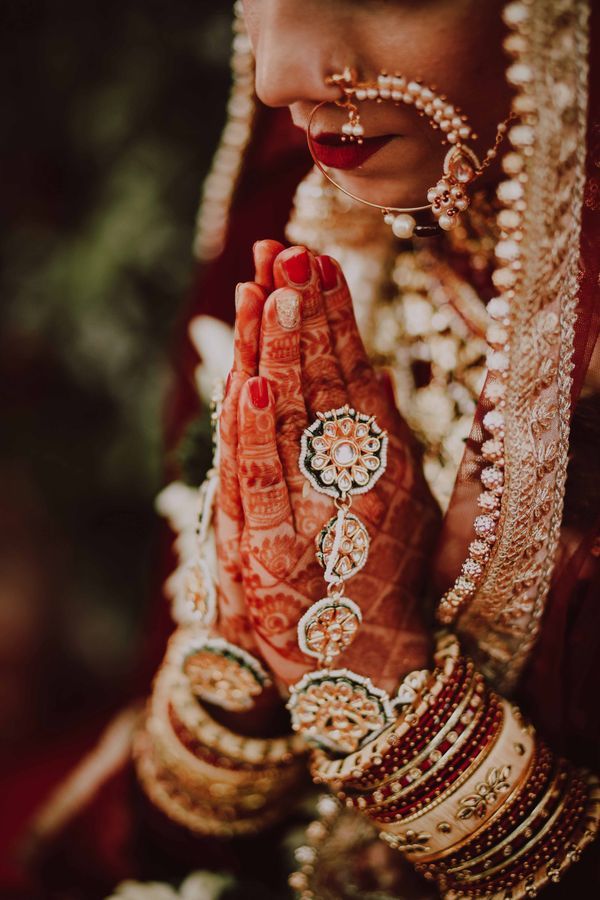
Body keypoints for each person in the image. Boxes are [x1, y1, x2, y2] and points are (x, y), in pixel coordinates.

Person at [16, 1, 600, 898]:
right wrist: (244, 661)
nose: (276, 77)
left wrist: (403, 708)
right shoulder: (293, 231)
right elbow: (153, 805)